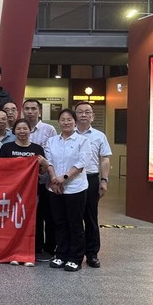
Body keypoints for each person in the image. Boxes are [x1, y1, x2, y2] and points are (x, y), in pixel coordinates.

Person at [0, 119, 49, 267]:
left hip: (31, 192)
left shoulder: (37, 149)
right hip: (11, 192)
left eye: (25, 128)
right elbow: (0, 169)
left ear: (30, 130)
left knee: (32, 221)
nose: (22, 131)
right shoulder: (6, 148)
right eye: (19, 129)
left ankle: (32, 251)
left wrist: (45, 165)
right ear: (14, 131)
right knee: (12, 221)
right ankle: (13, 251)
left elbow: (42, 172)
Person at [44, 109, 90, 272]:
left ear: (75, 122)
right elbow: (48, 161)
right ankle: (61, 254)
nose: (66, 122)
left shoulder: (82, 141)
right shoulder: (52, 141)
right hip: (55, 188)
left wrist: (63, 178)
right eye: (63, 119)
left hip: (75, 188)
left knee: (75, 223)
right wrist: (54, 179)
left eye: (69, 119)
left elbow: (82, 162)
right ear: (58, 122)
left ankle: (75, 258)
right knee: (59, 222)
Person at [75, 101, 112, 268]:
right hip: (73, 179)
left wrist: (104, 180)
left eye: (87, 112)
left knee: (90, 217)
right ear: (75, 115)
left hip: (90, 178)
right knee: (73, 218)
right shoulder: (68, 134)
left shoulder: (99, 136)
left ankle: (92, 254)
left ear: (93, 116)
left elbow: (104, 159)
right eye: (80, 112)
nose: (83, 115)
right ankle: (74, 252)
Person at [24, 98, 58, 260]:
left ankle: (50, 248)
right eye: (27, 108)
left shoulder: (49, 129)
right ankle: (35, 247)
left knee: (48, 215)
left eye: (33, 108)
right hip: (25, 183)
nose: (30, 111)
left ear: (39, 111)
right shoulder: (20, 127)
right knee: (33, 216)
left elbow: (54, 154)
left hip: (45, 180)